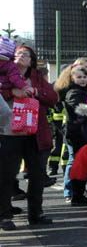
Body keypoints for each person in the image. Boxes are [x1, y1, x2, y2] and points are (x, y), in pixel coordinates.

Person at [0, 45, 58, 229]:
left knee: (37, 174)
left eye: (26, 54)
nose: (21, 56)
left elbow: (52, 97)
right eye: (18, 53)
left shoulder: (37, 77)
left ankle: (36, 213)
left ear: (31, 60)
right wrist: (11, 92)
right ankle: (4, 215)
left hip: (33, 133)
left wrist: (37, 92)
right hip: (9, 133)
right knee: (7, 175)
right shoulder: (3, 73)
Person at [54, 62, 87, 203]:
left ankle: (80, 194)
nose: (82, 79)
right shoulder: (73, 92)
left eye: (84, 77)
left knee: (84, 165)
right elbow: (80, 110)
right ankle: (77, 195)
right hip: (77, 134)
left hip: (84, 133)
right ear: (72, 79)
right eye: (79, 77)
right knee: (79, 166)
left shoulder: (85, 91)